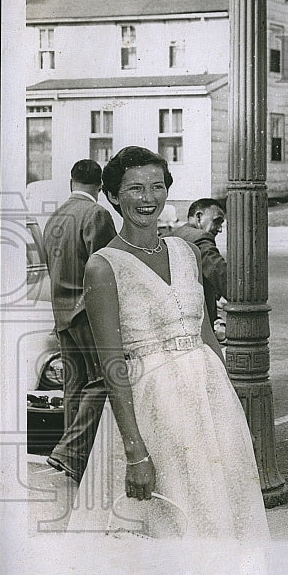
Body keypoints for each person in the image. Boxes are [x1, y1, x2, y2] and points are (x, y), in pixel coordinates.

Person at [66, 146, 267, 540]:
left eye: (157, 187)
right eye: (135, 188)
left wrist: (229, 411)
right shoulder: (103, 266)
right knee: (167, 527)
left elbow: (207, 334)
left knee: (218, 516)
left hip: (207, 402)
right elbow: (112, 365)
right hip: (153, 408)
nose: (148, 198)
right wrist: (135, 451)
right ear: (113, 196)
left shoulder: (185, 250)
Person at [44, 159, 117, 483]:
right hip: (86, 310)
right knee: (104, 380)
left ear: (71, 182)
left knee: (74, 387)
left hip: (61, 312)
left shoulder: (55, 217)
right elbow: (106, 266)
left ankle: (77, 463)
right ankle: (70, 452)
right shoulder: (97, 214)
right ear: (100, 187)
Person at [171, 198, 227, 328]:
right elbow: (219, 272)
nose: (219, 229)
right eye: (217, 221)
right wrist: (242, 298)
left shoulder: (171, 236)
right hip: (195, 324)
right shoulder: (200, 237)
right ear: (199, 217)